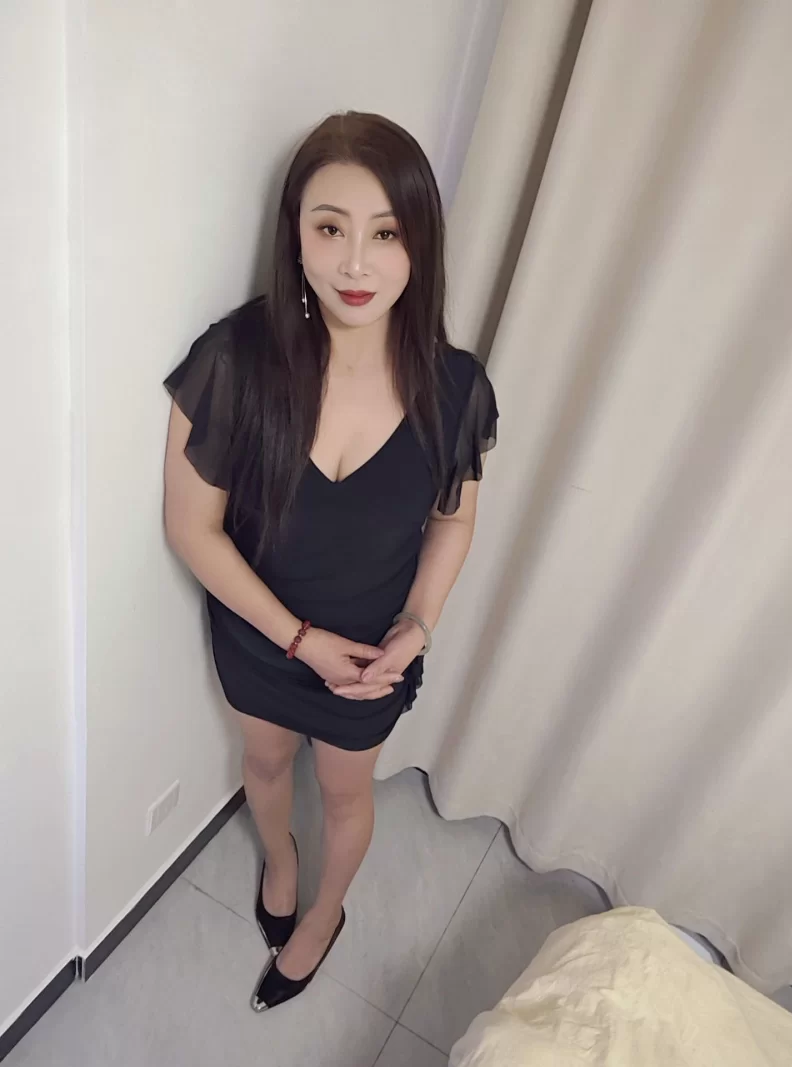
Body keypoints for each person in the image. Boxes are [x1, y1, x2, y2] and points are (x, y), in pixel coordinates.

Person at [163, 111, 498, 1011]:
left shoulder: (455, 388)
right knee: (267, 763)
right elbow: (192, 529)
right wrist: (296, 638)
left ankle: (324, 913)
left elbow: (453, 519)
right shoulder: (234, 362)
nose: (355, 263)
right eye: (330, 228)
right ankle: (280, 862)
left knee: (348, 794)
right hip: (260, 634)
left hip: (369, 657)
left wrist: (417, 624)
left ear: (420, 244)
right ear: (296, 235)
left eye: (386, 234)